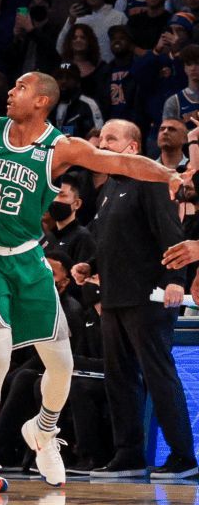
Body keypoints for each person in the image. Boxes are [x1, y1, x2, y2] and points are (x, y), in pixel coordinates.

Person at [0, 72, 187, 493]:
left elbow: (121, 163)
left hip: (28, 259)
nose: (11, 92)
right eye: (12, 87)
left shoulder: (60, 148)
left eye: (21, 88)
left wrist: (167, 174)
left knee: (62, 364)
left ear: (42, 101)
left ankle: (43, 432)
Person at [73, 120, 197, 480]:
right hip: (114, 296)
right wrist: (89, 265)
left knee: (159, 375)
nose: (102, 143)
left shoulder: (151, 181)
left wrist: (176, 280)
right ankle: (128, 454)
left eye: (111, 138)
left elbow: (170, 234)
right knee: (119, 378)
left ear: (132, 148)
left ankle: (182, 456)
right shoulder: (109, 187)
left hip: (148, 296)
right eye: (101, 138)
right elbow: (112, 240)